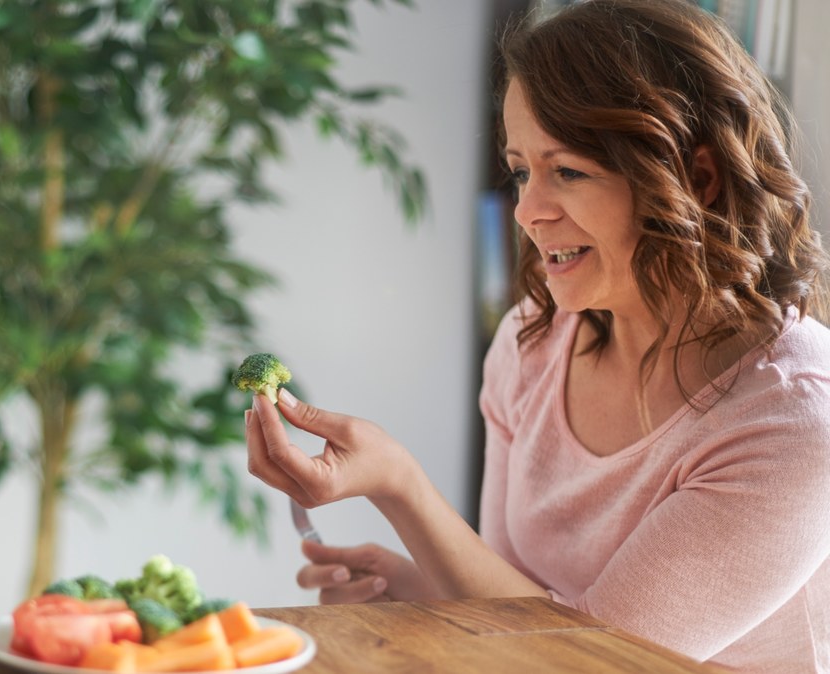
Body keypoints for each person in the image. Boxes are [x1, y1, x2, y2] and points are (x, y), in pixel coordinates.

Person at [244, 0, 830, 670]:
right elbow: (521, 610)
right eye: (521, 170)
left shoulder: (797, 418)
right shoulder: (533, 340)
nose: (527, 211)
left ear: (696, 179)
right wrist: (406, 593)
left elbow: (591, 662)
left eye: (568, 171)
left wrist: (398, 484)